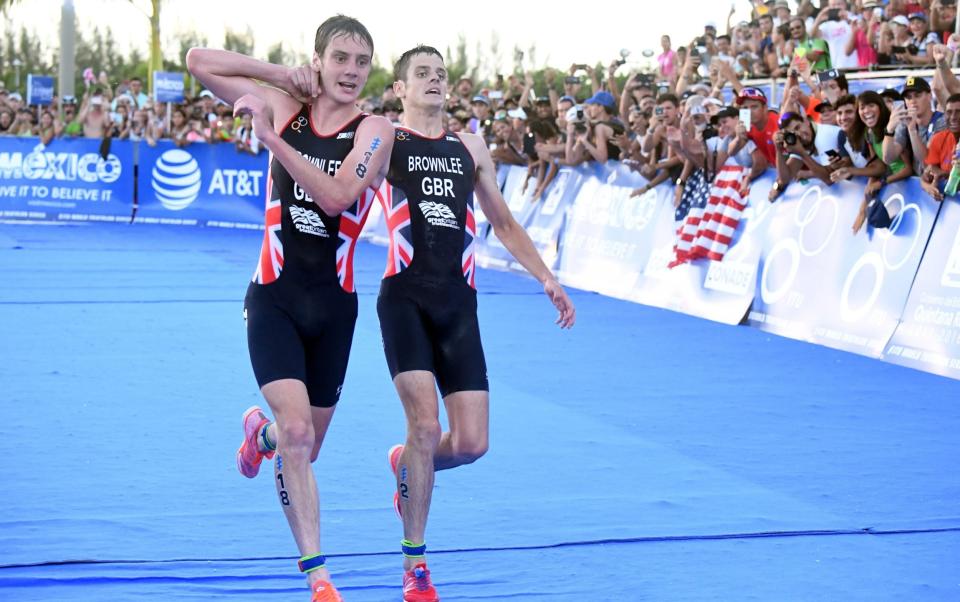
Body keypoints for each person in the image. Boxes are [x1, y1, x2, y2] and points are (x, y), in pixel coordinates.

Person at [186, 14, 394, 602]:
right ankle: (319, 578)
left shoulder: (373, 129)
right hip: (274, 296)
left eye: (362, 62)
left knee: (301, 444)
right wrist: (279, 74)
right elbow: (200, 61)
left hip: (335, 309)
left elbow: (335, 197)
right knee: (301, 435)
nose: (351, 73)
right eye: (340, 60)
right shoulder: (283, 102)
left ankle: (263, 436)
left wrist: (271, 141)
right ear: (319, 60)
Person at [379, 45, 576, 602]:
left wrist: (546, 277)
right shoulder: (387, 140)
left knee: (469, 444)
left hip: (459, 305)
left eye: (441, 75)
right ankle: (415, 566)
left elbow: (504, 222)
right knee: (423, 425)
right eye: (422, 75)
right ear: (400, 89)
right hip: (405, 299)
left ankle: (408, 465)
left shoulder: (470, 147)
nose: (435, 82)